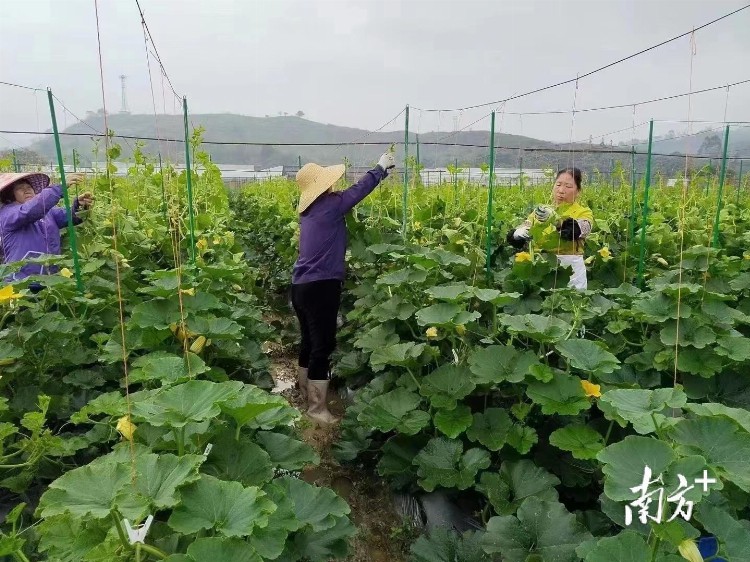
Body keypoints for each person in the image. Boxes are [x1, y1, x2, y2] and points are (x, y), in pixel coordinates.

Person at [292, 152, 396, 425]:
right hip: (321, 286)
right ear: (324, 186)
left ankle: (304, 394)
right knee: (322, 346)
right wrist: (380, 169)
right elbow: (358, 191)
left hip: (300, 286)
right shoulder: (330, 204)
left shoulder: (308, 211)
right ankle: (317, 410)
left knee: (308, 341)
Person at [507, 167, 593, 290]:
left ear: (578, 191)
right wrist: (517, 234)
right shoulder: (541, 210)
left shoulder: (583, 212)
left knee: (571, 303)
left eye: (568, 186)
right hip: (540, 264)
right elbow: (526, 227)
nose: (561, 190)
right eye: (558, 184)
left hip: (569, 268)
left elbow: (579, 229)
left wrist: (556, 220)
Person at [0, 172, 93, 282]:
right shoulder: (8, 214)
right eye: (20, 188)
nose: (27, 190)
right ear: (10, 195)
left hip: (49, 277)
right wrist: (59, 188)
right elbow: (30, 211)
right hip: (21, 281)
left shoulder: (48, 213)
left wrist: (80, 205)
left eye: (29, 187)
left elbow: (71, 216)